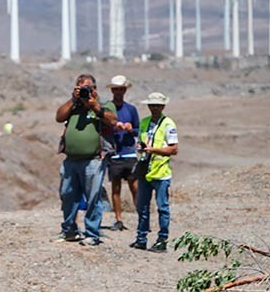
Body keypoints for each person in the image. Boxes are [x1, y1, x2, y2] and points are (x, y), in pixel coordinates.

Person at [54, 73, 121, 246]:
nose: (84, 91)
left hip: (93, 160)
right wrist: (72, 100)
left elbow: (113, 120)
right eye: (80, 87)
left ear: (94, 89)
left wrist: (95, 107)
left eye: (87, 87)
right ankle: (69, 230)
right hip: (71, 160)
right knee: (67, 195)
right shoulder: (73, 107)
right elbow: (59, 117)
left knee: (93, 198)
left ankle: (92, 233)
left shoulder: (104, 106)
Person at [131, 92, 178, 253]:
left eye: (158, 105)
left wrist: (153, 150)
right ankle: (141, 238)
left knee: (162, 207)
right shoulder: (144, 122)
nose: (155, 108)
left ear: (163, 106)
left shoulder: (168, 124)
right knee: (142, 206)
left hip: (161, 172)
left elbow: (173, 149)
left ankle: (162, 240)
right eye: (152, 105)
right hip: (145, 170)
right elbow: (141, 142)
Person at [104, 75, 140, 231]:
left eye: (121, 89)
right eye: (116, 89)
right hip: (114, 154)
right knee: (116, 188)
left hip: (129, 153)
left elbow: (139, 130)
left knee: (135, 187)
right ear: (113, 90)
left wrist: (131, 129)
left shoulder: (131, 109)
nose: (118, 92)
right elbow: (102, 128)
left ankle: (141, 217)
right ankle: (118, 219)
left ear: (124, 90)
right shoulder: (106, 109)